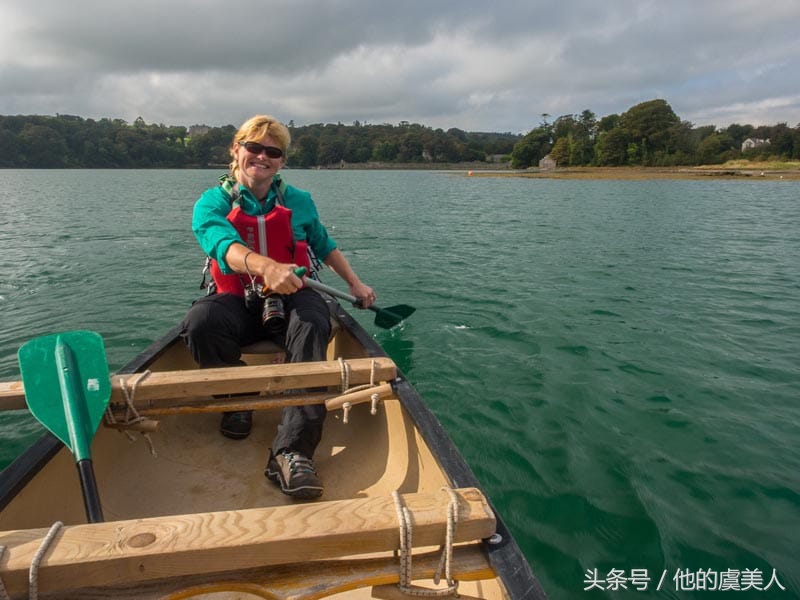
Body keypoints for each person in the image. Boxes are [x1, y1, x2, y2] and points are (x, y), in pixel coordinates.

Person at [180, 114, 376, 499]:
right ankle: (237, 401)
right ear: (235, 150)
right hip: (240, 299)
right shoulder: (211, 203)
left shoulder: (299, 201)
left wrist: (355, 283)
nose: (262, 157)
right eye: (254, 147)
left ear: (282, 161)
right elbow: (221, 244)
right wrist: (266, 266)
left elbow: (323, 244)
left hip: (291, 300)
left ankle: (292, 450)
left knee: (314, 319)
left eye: (273, 152)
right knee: (201, 322)